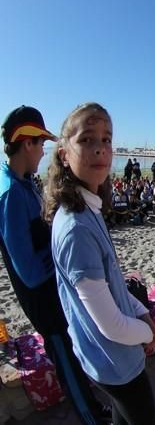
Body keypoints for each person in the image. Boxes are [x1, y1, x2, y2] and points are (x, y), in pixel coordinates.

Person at [44, 102, 155, 425]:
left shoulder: (87, 207)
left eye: (107, 139)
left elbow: (111, 283)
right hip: (113, 360)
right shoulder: (77, 227)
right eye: (87, 140)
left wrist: (140, 311)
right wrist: (147, 334)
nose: (100, 149)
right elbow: (109, 324)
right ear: (64, 154)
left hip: (110, 356)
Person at [0, 105, 110, 424]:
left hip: (51, 287)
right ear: (27, 143)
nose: (44, 152)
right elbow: (30, 272)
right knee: (65, 356)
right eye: (41, 144)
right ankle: (89, 416)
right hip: (42, 299)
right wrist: (62, 250)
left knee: (73, 347)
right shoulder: (9, 196)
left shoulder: (24, 183)